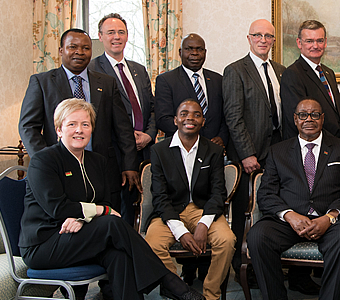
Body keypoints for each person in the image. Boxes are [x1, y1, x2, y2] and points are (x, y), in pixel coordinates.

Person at [18, 99, 204, 300]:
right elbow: (59, 209)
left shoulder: (97, 161)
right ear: (59, 130)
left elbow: (105, 202)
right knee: (111, 223)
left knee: (119, 256)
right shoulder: (43, 160)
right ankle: (170, 282)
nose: (79, 130)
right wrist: (98, 212)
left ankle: (164, 286)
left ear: (92, 130)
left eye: (85, 124)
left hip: (80, 235)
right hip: (45, 243)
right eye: (72, 124)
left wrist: (82, 217)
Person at [247, 99, 340, 300]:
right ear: (295, 119)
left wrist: (329, 218)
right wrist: (289, 215)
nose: (309, 119)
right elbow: (266, 194)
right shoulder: (278, 151)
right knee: (258, 236)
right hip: (289, 221)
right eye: (303, 115)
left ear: (322, 118)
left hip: (332, 220)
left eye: (314, 114)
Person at [18, 28, 140, 213]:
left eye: (85, 48)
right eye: (73, 47)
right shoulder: (42, 82)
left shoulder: (106, 83)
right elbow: (28, 127)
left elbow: (122, 127)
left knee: (106, 223)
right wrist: (46, 161)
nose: (79, 52)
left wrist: (129, 164)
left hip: (102, 171)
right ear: (61, 50)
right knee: (68, 219)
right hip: (60, 171)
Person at [145, 100, 235, 300]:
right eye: (184, 114)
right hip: (170, 211)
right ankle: (182, 293)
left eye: (196, 114)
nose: (190, 118)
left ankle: (210, 295)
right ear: (176, 120)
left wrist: (204, 224)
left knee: (227, 241)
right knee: (152, 244)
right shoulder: (159, 150)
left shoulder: (214, 150)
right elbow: (159, 196)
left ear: (203, 121)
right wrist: (180, 231)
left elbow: (218, 192)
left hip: (204, 210)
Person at [222, 18, 286, 286]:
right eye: (257, 35)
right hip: (249, 156)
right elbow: (233, 115)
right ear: (248, 38)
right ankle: (242, 268)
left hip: (278, 152)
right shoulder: (235, 70)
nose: (263, 40)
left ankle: (270, 267)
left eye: (268, 36)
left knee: (273, 212)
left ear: (273, 40)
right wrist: (246, 153)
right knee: (245, 213)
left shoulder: (280, 70)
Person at [88, 13, 156, 226]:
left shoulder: (138, 69)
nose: (116, 37)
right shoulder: (91, 70)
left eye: (121, 32)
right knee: (118, 209)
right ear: (100, 37)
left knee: (144, 208)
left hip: (144, 150)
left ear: (127, 36)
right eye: (110, 33)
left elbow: (152, 108)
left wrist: (149, 134)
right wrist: (127, 138)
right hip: (113, 153)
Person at [155, 33, 228, 151]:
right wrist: (193, 138)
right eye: (189, 49)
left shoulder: (218, 79)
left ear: (205, 52)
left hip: (214, 149)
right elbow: (163, 119)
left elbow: (226, 116)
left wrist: (222, 137)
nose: (194, 53)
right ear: (180, 52)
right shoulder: (166, 80)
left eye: (199, 49)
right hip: (181, 149)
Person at [280, 20, 340, 140]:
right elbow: (301, 121)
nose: (315, 46)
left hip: (334, 145)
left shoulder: (328, 73)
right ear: (299, 43)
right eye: (309, 41)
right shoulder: (292, 74)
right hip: (313, 146)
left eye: (320, 41)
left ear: (325, 42)